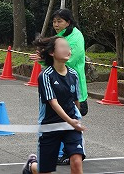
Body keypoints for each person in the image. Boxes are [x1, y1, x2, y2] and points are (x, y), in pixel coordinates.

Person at [30, 9, 88, 165]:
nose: (56, 24)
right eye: (54, 21)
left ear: (68, 22)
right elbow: (53, 103)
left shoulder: (75, 37)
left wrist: (75, 115)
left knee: (75, 118)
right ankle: (34, 166)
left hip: (70, 86)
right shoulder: (46, 75)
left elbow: (70, 58)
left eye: (59, 21)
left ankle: (71, 151)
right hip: (54, 102)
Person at [23, 36, 85, 174]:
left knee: (76, 162)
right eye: (62, 47)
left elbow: (75, 101)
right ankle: (31, 166)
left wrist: (77, 120)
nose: (67, 50)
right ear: (52, 52)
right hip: (50, 125)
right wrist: (70, 121)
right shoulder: (45, 75)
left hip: (71, 126)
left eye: (68, 47)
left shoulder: (73, 74)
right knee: (44, 170)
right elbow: (53, 102)